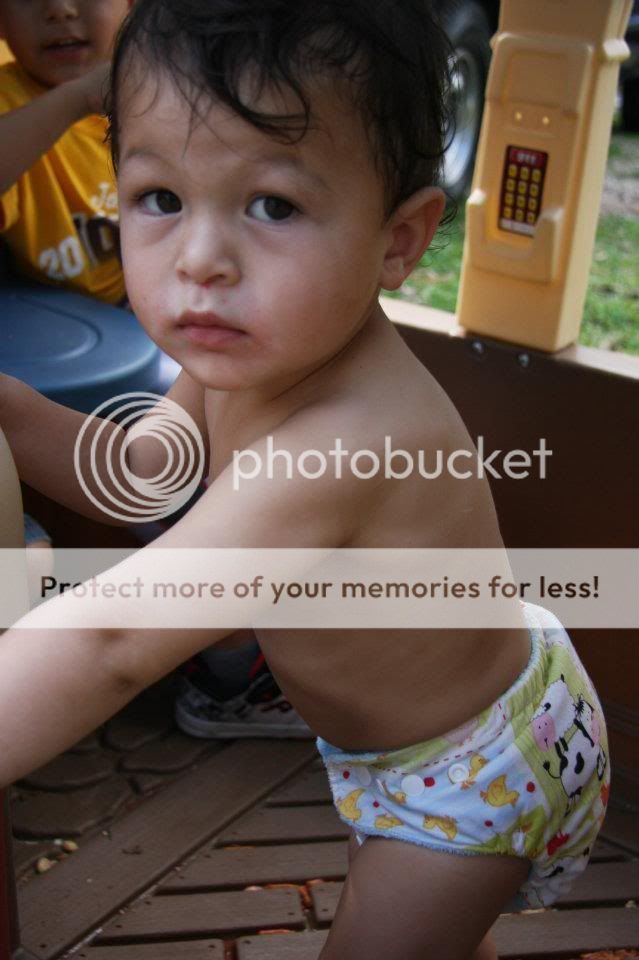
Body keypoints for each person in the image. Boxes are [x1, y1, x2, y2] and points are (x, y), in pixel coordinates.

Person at [0, 2, 610, 957]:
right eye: (159, 197)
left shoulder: (343, 439)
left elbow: (111, 639)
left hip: (469, 772)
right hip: (398, 738)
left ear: (398, 239)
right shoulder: (237, 360)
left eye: (273, 206)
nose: (200, 261)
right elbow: (139, 478)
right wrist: (7, 404)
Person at [0, 0, 130, 303]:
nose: (60, 9)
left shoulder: (171, 80)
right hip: (77, 315)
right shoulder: (9, 102)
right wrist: (80, 98)